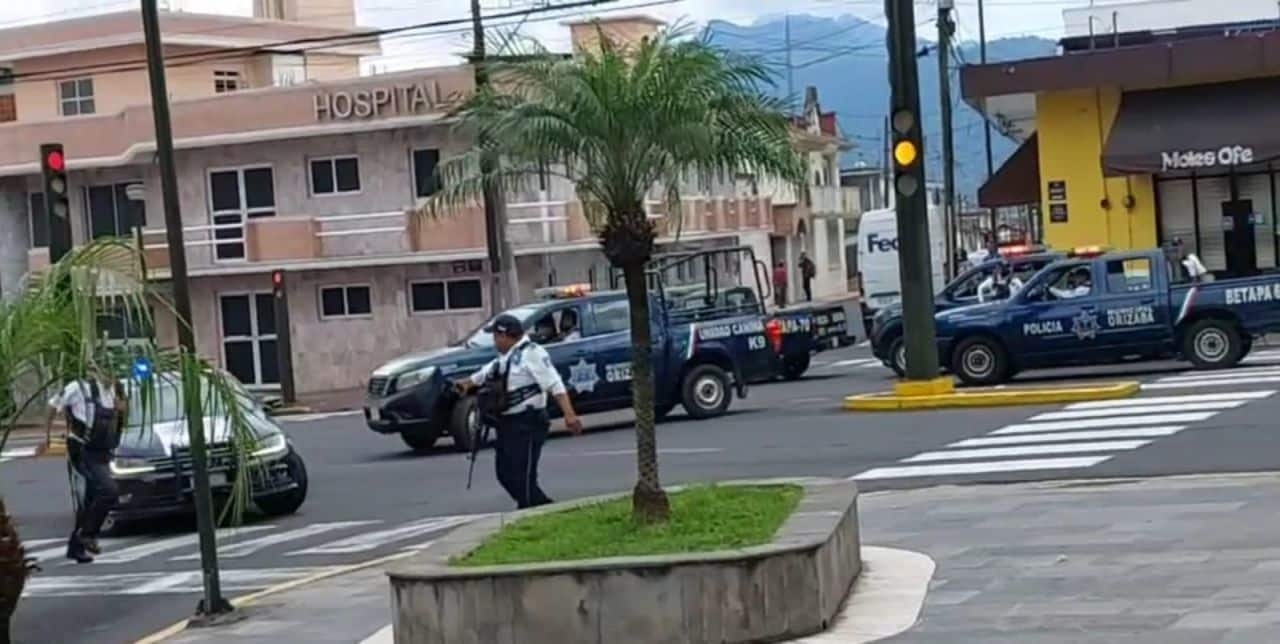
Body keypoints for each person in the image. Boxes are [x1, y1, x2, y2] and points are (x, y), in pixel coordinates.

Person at [457, 315, 583, 509]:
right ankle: (540, 505)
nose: (494, 341)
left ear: (505, 335)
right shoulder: (507, 357)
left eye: (496, 337)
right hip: (507, 423)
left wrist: (569, 415)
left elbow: (555, 384)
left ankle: (531, 509)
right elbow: (484, 374)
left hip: (528, 422)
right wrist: (465, 385)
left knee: (523, 474)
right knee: (504, 473)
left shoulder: (533, 353)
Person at [51, 370, 126, 563]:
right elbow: (53, 405)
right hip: (82, 450)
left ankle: (75, 546)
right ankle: (88, 535)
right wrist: (50, 434)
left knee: (89, 499)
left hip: (101, 451)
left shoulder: (115, 392)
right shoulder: (78, 388)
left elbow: (116, 423)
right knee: (108, 490)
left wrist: (121, 411)